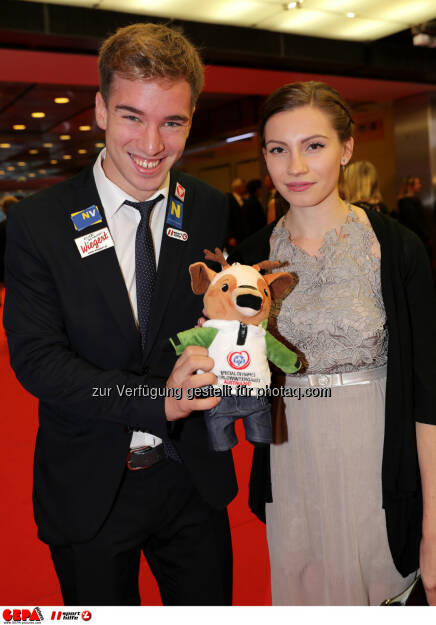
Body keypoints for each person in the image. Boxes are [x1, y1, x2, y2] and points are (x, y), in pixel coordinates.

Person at [3, 23, 237, 606]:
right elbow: (38, 363)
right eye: (133, 116)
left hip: (192, 479)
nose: (153, 144)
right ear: (101, 110)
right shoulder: (40, 222)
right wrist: (157, 401)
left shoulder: (208, 209)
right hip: (91, 484)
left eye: (173, 121)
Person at [229, 81, 436, 605]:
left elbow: (429, 393)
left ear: (346, 149)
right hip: (290, 455)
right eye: (278, 149)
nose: (294, 166)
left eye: (313, 146)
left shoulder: (395, 247)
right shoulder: (252, 255)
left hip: (381, 454)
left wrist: (435, 523)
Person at [397, 175, 432, 257]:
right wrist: (426, 236)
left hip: (419, 237)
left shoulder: (412, 201)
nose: (420, 185)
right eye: (418, 183)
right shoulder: (406, 202)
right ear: (411, 186)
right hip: (415, 239)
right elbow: (414, 222)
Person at [0, 195, 18, 289]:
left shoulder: (1, 227)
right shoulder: (26, 225)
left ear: (3, 209)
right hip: (23, 266)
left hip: (6, 269)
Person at [225, 177, 247, 250]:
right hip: (233, 237)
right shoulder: (228, 199)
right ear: (237, 188)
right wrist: (230, 236)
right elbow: (227, 219)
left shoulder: (244, 200)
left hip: (243, 236)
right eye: (243, 186)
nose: (245, 188)